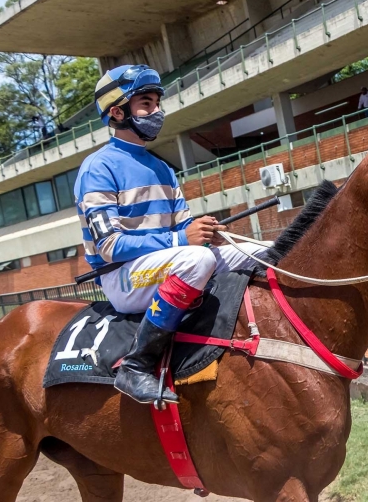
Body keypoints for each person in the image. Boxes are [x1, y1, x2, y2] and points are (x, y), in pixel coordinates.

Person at [76, 64, 271, 405]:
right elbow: (108, 246)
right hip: (122, 277)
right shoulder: (98, 167)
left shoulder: (162, 167)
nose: (156, 112)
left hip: (169, 263)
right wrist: (182, 240)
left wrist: (202, 231)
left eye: (157, 103)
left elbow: (183, 230)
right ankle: (136, 366)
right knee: (196, 258)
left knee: (264, 249)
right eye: (146, 104)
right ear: (117, 112)